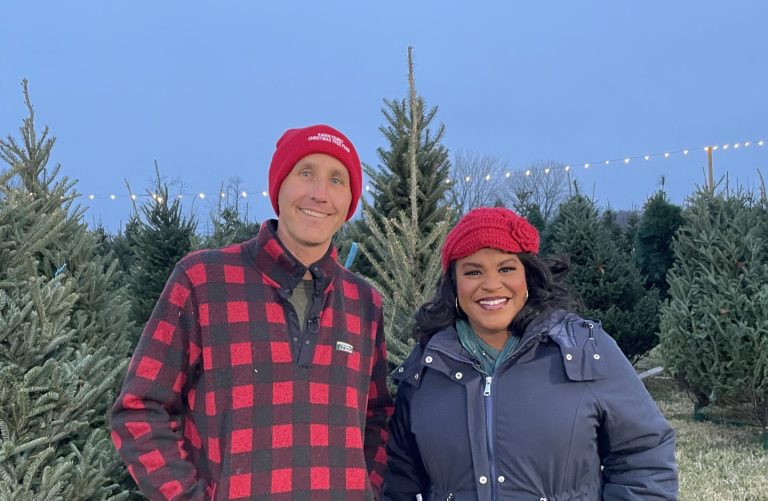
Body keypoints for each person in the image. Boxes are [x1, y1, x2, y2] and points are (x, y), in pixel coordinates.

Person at [111, 124, 393, 500]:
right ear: (279, 186)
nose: (320, 193)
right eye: (305, 172)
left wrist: (366, 491)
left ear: (350, 201)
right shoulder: (203, 280)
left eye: (337, 180)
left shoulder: (364, 303)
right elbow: (139, 408)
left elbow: (379, 417)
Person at [383, 207, 678, 500]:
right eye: (473, 271)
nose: (491, 284)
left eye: (506, 268)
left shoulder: (584, 348)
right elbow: (399, 477)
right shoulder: (427, 365)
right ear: (454, 285)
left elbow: (643, 455)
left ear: (528, 275)